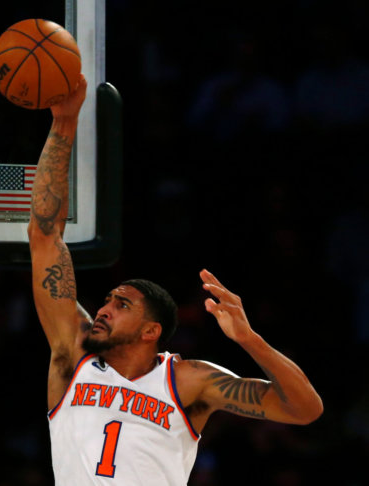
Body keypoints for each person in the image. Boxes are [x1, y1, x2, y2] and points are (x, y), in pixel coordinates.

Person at [27, 75, 323, 485]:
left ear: (152, 330)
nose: (104, 308)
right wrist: (64, 120)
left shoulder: (187, 381)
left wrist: (248, 340)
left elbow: (305, 409)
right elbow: (44, 235)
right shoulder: (73, 353)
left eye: (122, 304)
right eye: (109, 299)